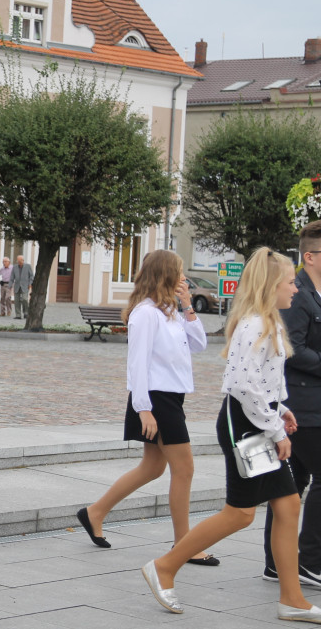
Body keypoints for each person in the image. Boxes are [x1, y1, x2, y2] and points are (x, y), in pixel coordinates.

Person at [141, 248, 321, 623]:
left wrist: (282, 410)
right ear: (272, 286)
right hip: (245, 427)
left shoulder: (269, 321)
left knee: (286, 507)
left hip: (254, 421)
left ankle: (292, 599)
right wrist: (275, 428)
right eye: (290, 282)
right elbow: (241, 386)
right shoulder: (256, 324)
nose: (296, 289)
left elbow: (265, 383)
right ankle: (164, 566)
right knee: (239, 514)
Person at [75, 250, 215, 563]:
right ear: (165, 274)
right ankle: (184, 545)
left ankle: (95, 512)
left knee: (152, 467)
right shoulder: (145, 313)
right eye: (179, 272)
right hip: (156, 398)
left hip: (171, 397)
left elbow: (199, 344)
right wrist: (144, 408)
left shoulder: (171, 311)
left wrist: (188, 306)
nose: (184, 278)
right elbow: (136, 364)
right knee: (185, 468)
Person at [262, 220, 321, 587]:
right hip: (301, 403)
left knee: (294, 481)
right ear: (311, 256)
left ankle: (275, 562)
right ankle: (310, 560)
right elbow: (290, 347)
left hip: (308, 403)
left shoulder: (312, 291)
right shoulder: (296, 293)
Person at [9, 254, 33, 320]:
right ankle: (18, 315)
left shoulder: (28, 266)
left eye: (20, 261)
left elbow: (31, 276)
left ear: (23, 260)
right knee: (16, 301)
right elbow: (12, 277)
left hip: (25, 286)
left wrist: (30, 283)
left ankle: (26, 313)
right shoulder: (15, 267)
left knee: (25, 299)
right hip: (17, 286)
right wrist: (10, 285)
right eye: (18, 261)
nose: (19, 262)